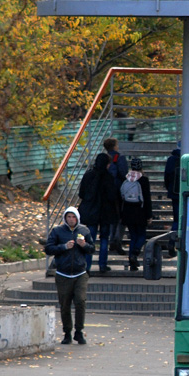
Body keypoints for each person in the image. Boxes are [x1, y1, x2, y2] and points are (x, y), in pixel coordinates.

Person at [44, 207, 94, 345]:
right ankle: (67, 332)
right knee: (65, 304)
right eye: (68, 217)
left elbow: (92, 249)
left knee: (80, 301)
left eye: (73, 217)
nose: (71, 219)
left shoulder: (84, 230)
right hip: (63, 273)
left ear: (77, 218)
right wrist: (64, 247)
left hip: (80, 273)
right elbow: (48, 248)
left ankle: (79, 331)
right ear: (65, 218)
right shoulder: (57, 231)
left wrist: (84, 245)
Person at [78, 152, 120, 273]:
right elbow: (112, 196)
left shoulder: (88, 175)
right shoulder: (109, 178)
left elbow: (81, 194)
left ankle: (87, 267)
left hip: (91, 213)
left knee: (89, 239)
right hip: (105, 214)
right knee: (104, 238)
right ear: (107, 164)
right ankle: (102, 264)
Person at [120, 157, 153, 272]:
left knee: (133, 236)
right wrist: (149, 215)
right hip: (140, 211)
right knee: (142, 235)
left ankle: (132, 263)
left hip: (128, 212)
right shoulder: (143, 180)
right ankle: (135, 253)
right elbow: (147, 198)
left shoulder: (126, 179)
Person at [103, 138, 129, 253]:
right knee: (120, 218)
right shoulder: (119, 158)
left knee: (109, 218)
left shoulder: (103, 158)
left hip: (106, 192)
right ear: (114, 146)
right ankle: (116, 241)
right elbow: (124, 173)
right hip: (118, 191)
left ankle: (109, 240)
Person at [163, 143, 181, 257]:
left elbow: (166, 176)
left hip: (174, 193)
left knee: (176, 219)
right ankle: (174, 243)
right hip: (185, 193)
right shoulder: (188, 156)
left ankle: (172, 242)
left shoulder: (171, 159)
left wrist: (168, 188)